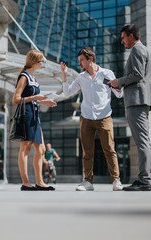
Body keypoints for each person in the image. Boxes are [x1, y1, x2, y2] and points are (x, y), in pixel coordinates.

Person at [61, 47, 124, 191]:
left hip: (104, 117)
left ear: (90, 59)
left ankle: (116, 181)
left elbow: (119, 94)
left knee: (109, 149)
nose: (80, 63)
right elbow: (67, 93)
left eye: (81, 60)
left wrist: (118, 86)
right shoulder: (81, 77)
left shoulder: (106, 73)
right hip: (86, 118)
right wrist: (64, 76)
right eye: (79, 61)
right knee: (87, 151)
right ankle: (88, 182)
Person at [109, 24, 151, 191]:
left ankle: (145, 180)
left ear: (130, 36)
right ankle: (146, 179)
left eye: (123, 38)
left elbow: (137, 74)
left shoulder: (137, 49)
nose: (122, 42)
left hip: (137, 100)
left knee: (142, 141)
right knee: (144, 141)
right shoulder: (143, 49)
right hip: (140, 99)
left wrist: (119, 82)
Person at [13, 49, 57, 191]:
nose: (42, 64)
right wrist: (36, 98)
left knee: (41, 149)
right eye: (41, 61)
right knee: (25, 149)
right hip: (26, 115)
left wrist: (45, 102)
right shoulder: (24, 77)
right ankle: (25, 182)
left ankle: (40, 182)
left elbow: (34, 100)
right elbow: (16, 99)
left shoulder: (34, 79)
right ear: (36, 62)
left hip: (35, 116)